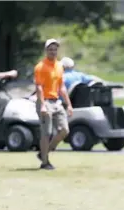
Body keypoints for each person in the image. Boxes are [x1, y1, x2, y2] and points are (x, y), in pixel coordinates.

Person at [34, 39, 73, 170]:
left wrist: (69, 104)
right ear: (46, 51)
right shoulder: (40, 67)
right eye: (50, 49)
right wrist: (43, 105)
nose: (53, 51)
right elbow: (39, 87)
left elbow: (61, 87)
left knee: (64, 130)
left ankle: (44, 153)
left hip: (56, 101)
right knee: (47, 133)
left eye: (55, 49)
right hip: (44, 101)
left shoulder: (59, 66)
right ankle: (45, 162)